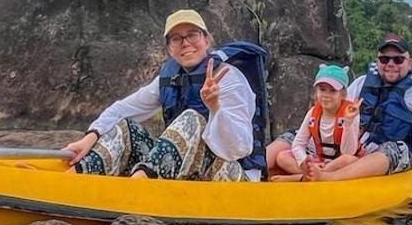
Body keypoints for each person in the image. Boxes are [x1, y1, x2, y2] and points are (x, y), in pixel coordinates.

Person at [62, 9, 264, 181]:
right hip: (188, 171)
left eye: (192, 35)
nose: (185, 43)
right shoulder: (168, 78)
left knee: (192, 119)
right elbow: (122, 109)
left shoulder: (229, 78)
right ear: (169, 48)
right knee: (127, 128)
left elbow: (239, 147)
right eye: (176, 39)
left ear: (206, 40)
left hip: (234, 177)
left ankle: (137, 187)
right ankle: (75, 178)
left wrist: (215, 108)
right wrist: (90, 137)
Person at [304, 34, 412, 182]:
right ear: (377, 62)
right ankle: (306, 170)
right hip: (356, 148)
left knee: (392, 148)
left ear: (409, 63)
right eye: (384, 59)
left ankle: (327, 177)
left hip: (390, 153)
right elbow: (333, 118)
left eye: (398, 59)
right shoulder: (361, 83)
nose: (391, 64)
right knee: (295, 135)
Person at [271, 64, 363, 182]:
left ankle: (300, 177)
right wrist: (305, 162)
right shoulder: (313, 113)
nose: (326, 95)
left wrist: (348, 123)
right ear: (316, 92)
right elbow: (298, 144)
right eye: (322, 89)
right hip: (320, 162)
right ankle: (311, 174)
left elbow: (348, 152)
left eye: (333, 91)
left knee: (348, 160)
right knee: (282, 157)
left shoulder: (350, 113)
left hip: (339, 163)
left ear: (343, 94)